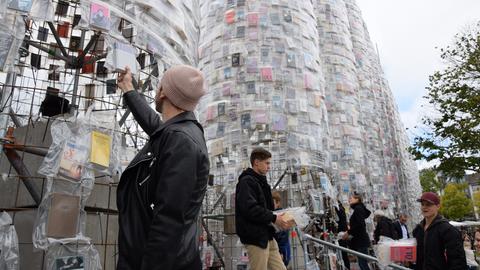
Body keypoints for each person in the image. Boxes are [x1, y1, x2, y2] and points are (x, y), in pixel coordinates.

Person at [116, 65, 209, 270]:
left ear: (164, 92)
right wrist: (128, 89)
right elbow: (155, 125)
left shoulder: (182, 141)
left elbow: (170, 218)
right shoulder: (176, 133)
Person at [235, 148, 294, 270]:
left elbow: (267, 209)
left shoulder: (261, 182)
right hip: (255, 237)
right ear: (256, 162)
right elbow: (250, 209)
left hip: (268, 236)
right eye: (267, 163)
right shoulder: (247, 182)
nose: (269, 167)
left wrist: (280, 218)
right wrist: (274, 218)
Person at [412, 192, 467, 270]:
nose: (424, 207)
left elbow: (458, 260)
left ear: (438, 206)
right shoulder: (418, 229)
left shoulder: (448, 230)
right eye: (422, 204)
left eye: (428, 204)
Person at [342, 193, 372, 270]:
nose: (349, 200)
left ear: (357, 199)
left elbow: (360, 224)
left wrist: (348, 232)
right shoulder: (359, 208)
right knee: (362, 263)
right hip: (361, 240)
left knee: (363, 264)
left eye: (351, 198)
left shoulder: (358, 209)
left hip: (361, 240)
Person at [272, 191, 291, 267]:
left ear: (278, 203)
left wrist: (281, 252)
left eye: (272, 202)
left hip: (282, 250)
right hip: (278, 249)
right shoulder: (272, 215)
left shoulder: (281, 216)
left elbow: (283, 236)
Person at [335, 201, 350, 270]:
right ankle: (346, 267)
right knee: (344, 254)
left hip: (341, 235)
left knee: (342, 254)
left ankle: (345, 267)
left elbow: (339, 221)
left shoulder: (338, 209)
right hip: (343, 233)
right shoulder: (342, 209)